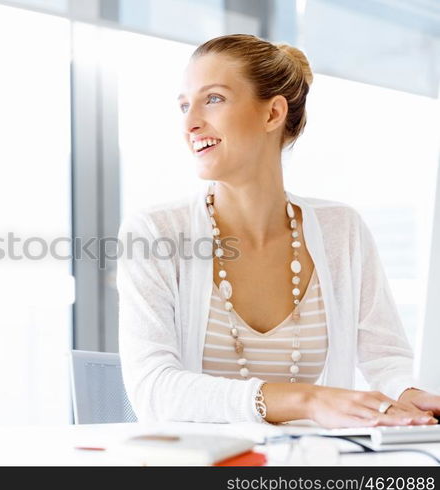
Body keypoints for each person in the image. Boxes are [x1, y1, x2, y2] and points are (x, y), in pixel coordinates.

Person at [116, 33, 440, 428]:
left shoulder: (342, 230)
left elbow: (385, 357)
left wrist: (410, 393)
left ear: (272, 114)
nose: (190, 122)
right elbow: (153, 390)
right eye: (184, 105)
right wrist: (308, 400)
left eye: (213, 99)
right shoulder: (155, 233)